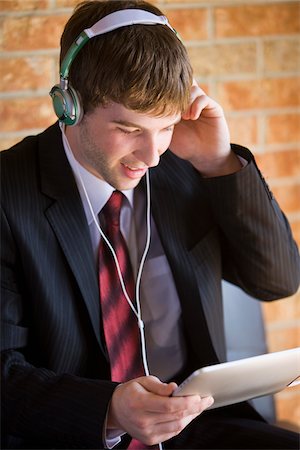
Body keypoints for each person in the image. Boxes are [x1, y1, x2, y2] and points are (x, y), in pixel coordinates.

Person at [1, 1, 299, 449]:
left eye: (165, 127)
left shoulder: (184, 165)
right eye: (128, 128)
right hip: (71, 433)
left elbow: (278, 280)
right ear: (69, 105)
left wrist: (218, 163)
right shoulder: (8, 194)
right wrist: (110, 410)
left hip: (196, 429)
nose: (152, 155)